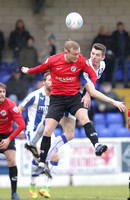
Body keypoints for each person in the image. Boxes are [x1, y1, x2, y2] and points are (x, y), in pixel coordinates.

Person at [21, 40, 126, 178]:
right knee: (51, 127)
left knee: (70, 134)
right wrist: (98, 96)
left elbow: (92, 83)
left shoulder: (101, 65)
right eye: (92, 54)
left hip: (74, 98)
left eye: (97, 55)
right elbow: (43, 67)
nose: (93, 57)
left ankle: (94, 146)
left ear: (103, 58)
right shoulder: (83, 66)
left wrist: (89, 92)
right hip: (64, 97)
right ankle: (40, 155)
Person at [18, 72, 57, 199]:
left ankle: (46, 187)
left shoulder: (56, 97)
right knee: (39, 156)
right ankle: (32, 184)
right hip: (33, 131)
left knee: (56, 157)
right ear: (44, 82)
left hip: (49, 131)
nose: (52, 82)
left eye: (53, 80)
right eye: (49, 80)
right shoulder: (34, 95)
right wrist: (19, 128)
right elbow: (19, 109)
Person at [0, 82, 25, 200]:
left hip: (7, 135)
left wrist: (9, 139)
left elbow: (21, 124)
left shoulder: (10, 104)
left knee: (11, 160)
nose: (2, 94)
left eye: (3, 92)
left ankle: (14, 193)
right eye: (0, 92)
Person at [111, 21, 130, 88]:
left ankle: (125, 84)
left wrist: (128, 52)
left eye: (121, 27)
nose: (120, 28)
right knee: (114, 70)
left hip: (124, 55)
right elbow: (112, 43)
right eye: (119, 27)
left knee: (125, 70)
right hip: (117, 55)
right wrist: (114, 51)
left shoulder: (126, 34)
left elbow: (128, 44)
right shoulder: (114, 34)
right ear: (117, 27)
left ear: (123, 27)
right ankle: (113, 84)